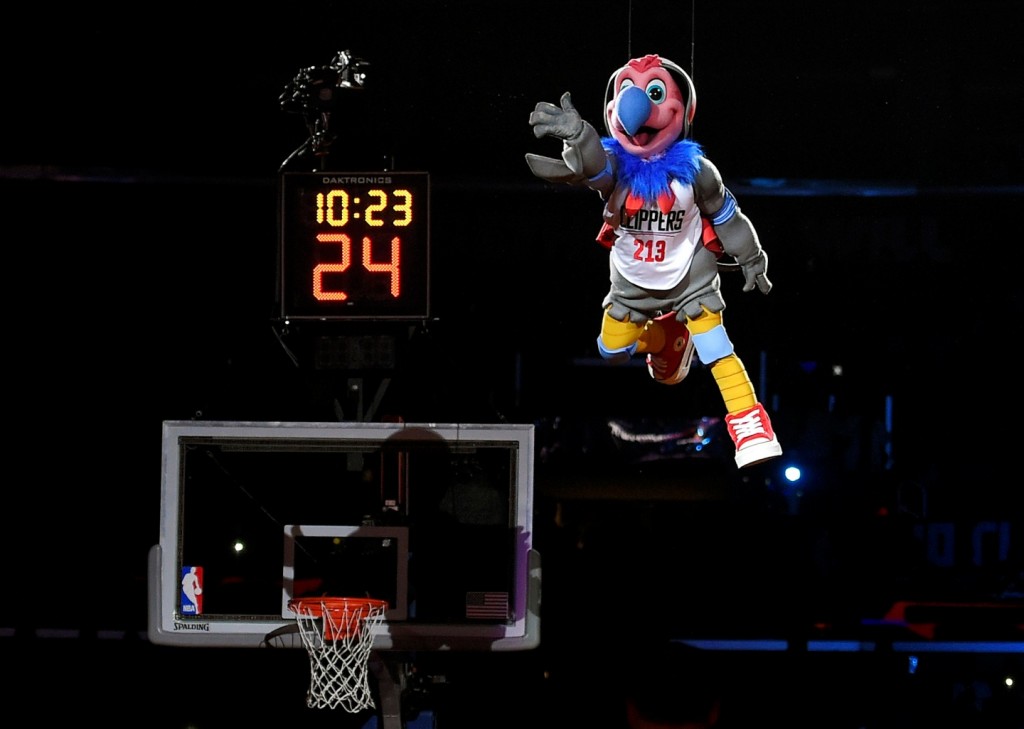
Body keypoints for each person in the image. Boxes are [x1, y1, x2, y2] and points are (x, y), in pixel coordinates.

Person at [527, 54, 782, 469]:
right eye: (627, 90)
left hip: (690, 275)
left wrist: (751, 256)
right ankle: (665, 339)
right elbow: (593, 167)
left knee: (716, 345)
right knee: (611, 349)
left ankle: (750, 424)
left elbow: (727, 216)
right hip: (631, 279)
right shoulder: (617, 167)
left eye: (655, 92)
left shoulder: (697, 171)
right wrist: (579, 135)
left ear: (684, 108)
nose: (638, 106)